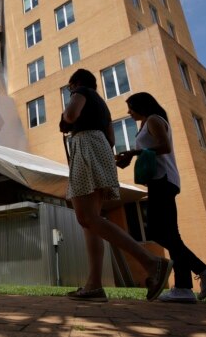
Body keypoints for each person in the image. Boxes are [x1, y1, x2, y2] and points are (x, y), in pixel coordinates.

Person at [61, 69, 173, 303]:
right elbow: (112, 140)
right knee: (91, 222)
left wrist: (65, 119)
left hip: (85, 146)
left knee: (87, 218)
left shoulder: (80, 92)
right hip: (101, 149)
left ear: (75, 84)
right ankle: (94, 285)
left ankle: (151, 263)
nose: (70, 90)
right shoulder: (103, 106)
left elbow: (70, 115)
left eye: (70, 87)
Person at [115, 92, 206, 303]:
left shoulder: (154, 120)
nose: (128, 112)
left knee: (157, 231)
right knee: (170, 234)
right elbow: (153, 149)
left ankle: (204, 271)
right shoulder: (147, 122)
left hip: (162, 180)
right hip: (162, 181)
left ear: (141, 106)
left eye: (131, 108)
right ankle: (183, 288)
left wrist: (133, 153)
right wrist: (132, 156)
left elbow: (164, 147)